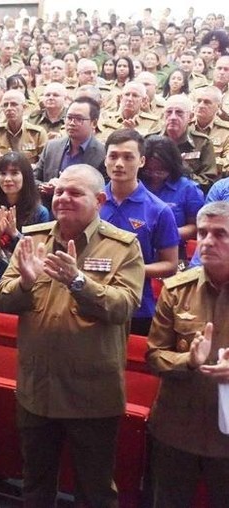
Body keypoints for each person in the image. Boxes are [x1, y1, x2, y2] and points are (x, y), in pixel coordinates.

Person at [0, 163, 145, 508]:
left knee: (94, 492)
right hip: (38, 389)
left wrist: (78, 281)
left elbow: (123, 306)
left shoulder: (123, 247)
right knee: (35, 485)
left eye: (75, 193)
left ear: (100, 200)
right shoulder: (33, 238)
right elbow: (3, 297)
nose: (63, 198)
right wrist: (26, 282)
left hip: (90, 394)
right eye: (60, 191)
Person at [146, 201, 229, 507]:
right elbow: (154, 356)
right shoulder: (178, 289)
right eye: (204, 232)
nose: (207, 241)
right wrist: (189, 361)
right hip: (177, 429)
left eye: (220, 234)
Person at [101, 129, 180, 335]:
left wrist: (127, 270)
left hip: (137, 308)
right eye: (114, 156)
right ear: (105, 159)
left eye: (128, 157)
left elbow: (170, 265)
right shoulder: (90, 201)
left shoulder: (159, 210)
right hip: (90, 299)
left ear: (142, 161)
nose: (119, 164)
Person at [0, 152, 50, 310]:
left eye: (14, 173)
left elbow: (39, 254)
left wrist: (14, 234)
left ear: (26, 177)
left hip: (21, 283)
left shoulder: (39, 212)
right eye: (3, 173)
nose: (7, 179)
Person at [36, 97, 107, 207]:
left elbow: (104, 190)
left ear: (94, 123)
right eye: (69, 118)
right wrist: (47, 186)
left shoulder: (103, 154)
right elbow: (34, 179)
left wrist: (64, 189)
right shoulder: (52, 147)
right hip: (51, 211)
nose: (72, 123)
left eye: (79, 119)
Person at [140, 136, 205, 251]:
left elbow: (196, 227)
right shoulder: (137, 183)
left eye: (160, 171)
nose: (154, 175)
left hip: (174, 249)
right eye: (148, 170)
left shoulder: (188, 189)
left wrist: (165, 235)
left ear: (172, 166)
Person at [161, 94, 217, 193]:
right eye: (169, 112)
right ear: (163, 115)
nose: (173, 117)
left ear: (190, 117)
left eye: (179, 113)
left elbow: (208, 183)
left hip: (188, 196)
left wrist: (182, 170)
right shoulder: (151, 140)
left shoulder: (203, 142)